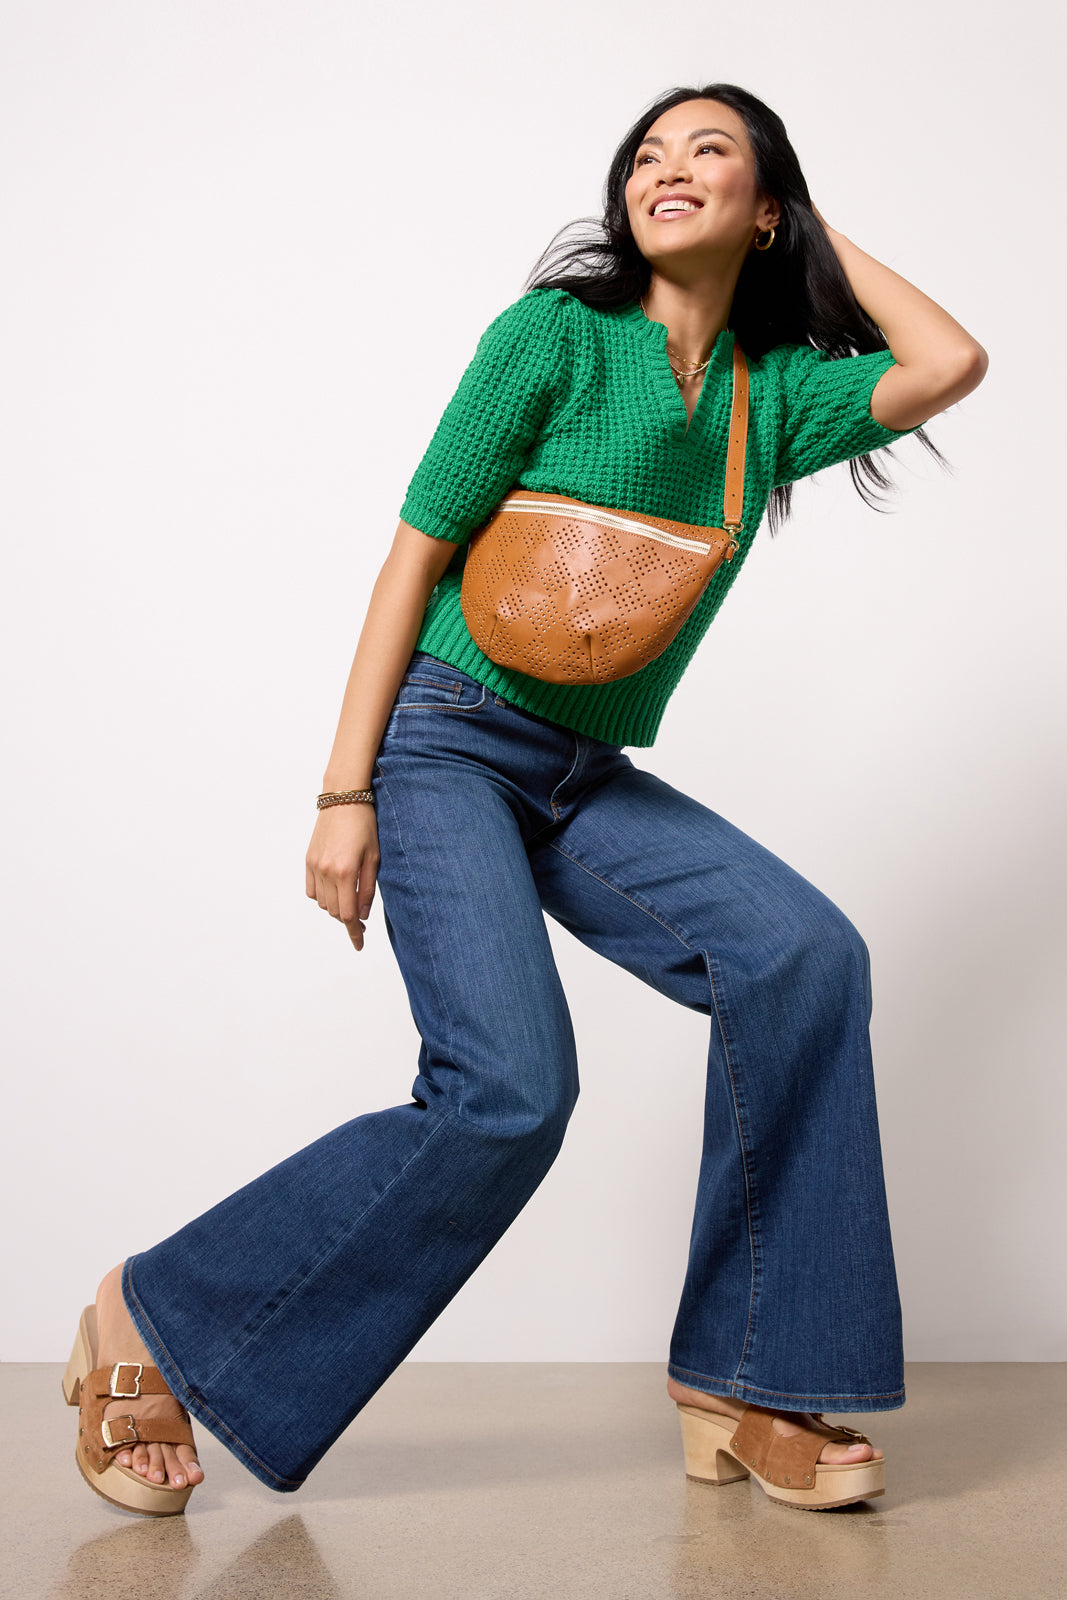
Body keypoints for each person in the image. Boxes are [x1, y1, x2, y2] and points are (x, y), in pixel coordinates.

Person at [64, 82, 987, 1517]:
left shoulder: (768, 399)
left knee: (804, 956)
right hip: (444, 744)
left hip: (581, 775)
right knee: (507, 1091)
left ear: (765, 207)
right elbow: (413, 558)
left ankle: (749, 1380)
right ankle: (159, 1311)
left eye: (710, 153)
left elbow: (949, 360)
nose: (665, 170)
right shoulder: (551, 335)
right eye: (647, 154)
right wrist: (344, 789)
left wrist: (811, 227)